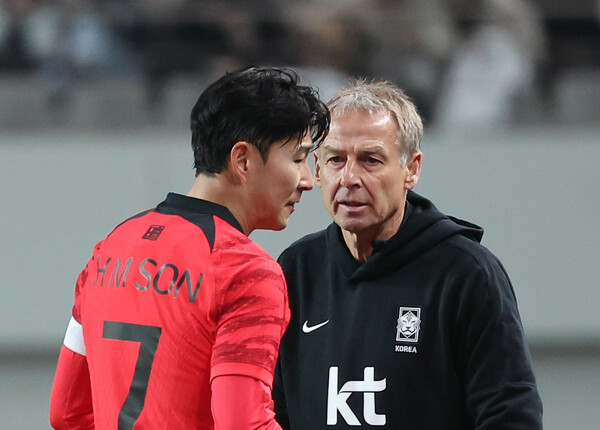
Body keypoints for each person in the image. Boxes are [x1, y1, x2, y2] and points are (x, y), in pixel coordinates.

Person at [49, 65, 330, 430]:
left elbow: (66, 412)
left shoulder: (108, 249)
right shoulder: (247, 273)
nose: (309, 180)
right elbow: (243, 424)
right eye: (297, 158)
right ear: (242, 160)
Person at [273, 80, 543, 429]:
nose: (349, 177)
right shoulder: (295, 270)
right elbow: (273, 414)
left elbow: (510, 417)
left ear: (411, 170)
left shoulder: (467, 273)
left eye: (370, 160)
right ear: (318, 169)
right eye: (336, 159)